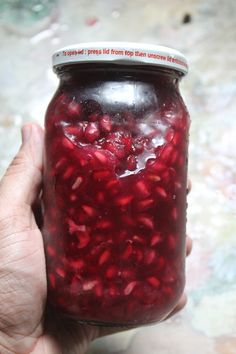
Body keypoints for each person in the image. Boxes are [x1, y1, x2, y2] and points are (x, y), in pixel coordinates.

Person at [0, 123, 192, 354]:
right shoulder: (68, 113)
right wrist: (8, 340)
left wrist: (10, 343)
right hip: (65, 300)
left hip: (71, 300)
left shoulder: (168, 114)